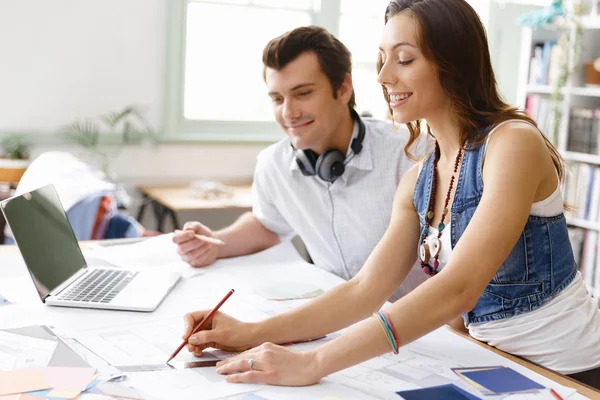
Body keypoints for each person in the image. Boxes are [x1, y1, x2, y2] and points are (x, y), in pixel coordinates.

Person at [179, 0, 600, 389]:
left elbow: (459, 289)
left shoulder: (512, 142)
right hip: (494, 362)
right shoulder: (419, 178)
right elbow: (364, 289)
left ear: (454, 63)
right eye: (381, 60)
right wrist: (247, 332)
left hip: (572, 372)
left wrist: (314, 363)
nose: (383, 77)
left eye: (404, 59)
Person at [173, 25, 429, 301]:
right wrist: (215, 244)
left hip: (420, 327)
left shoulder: (412, 152)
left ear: (343, 89)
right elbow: (267, 225)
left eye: (303, 93)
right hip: (336, 317)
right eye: (277, 98)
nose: (288, 113)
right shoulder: (274, 164)